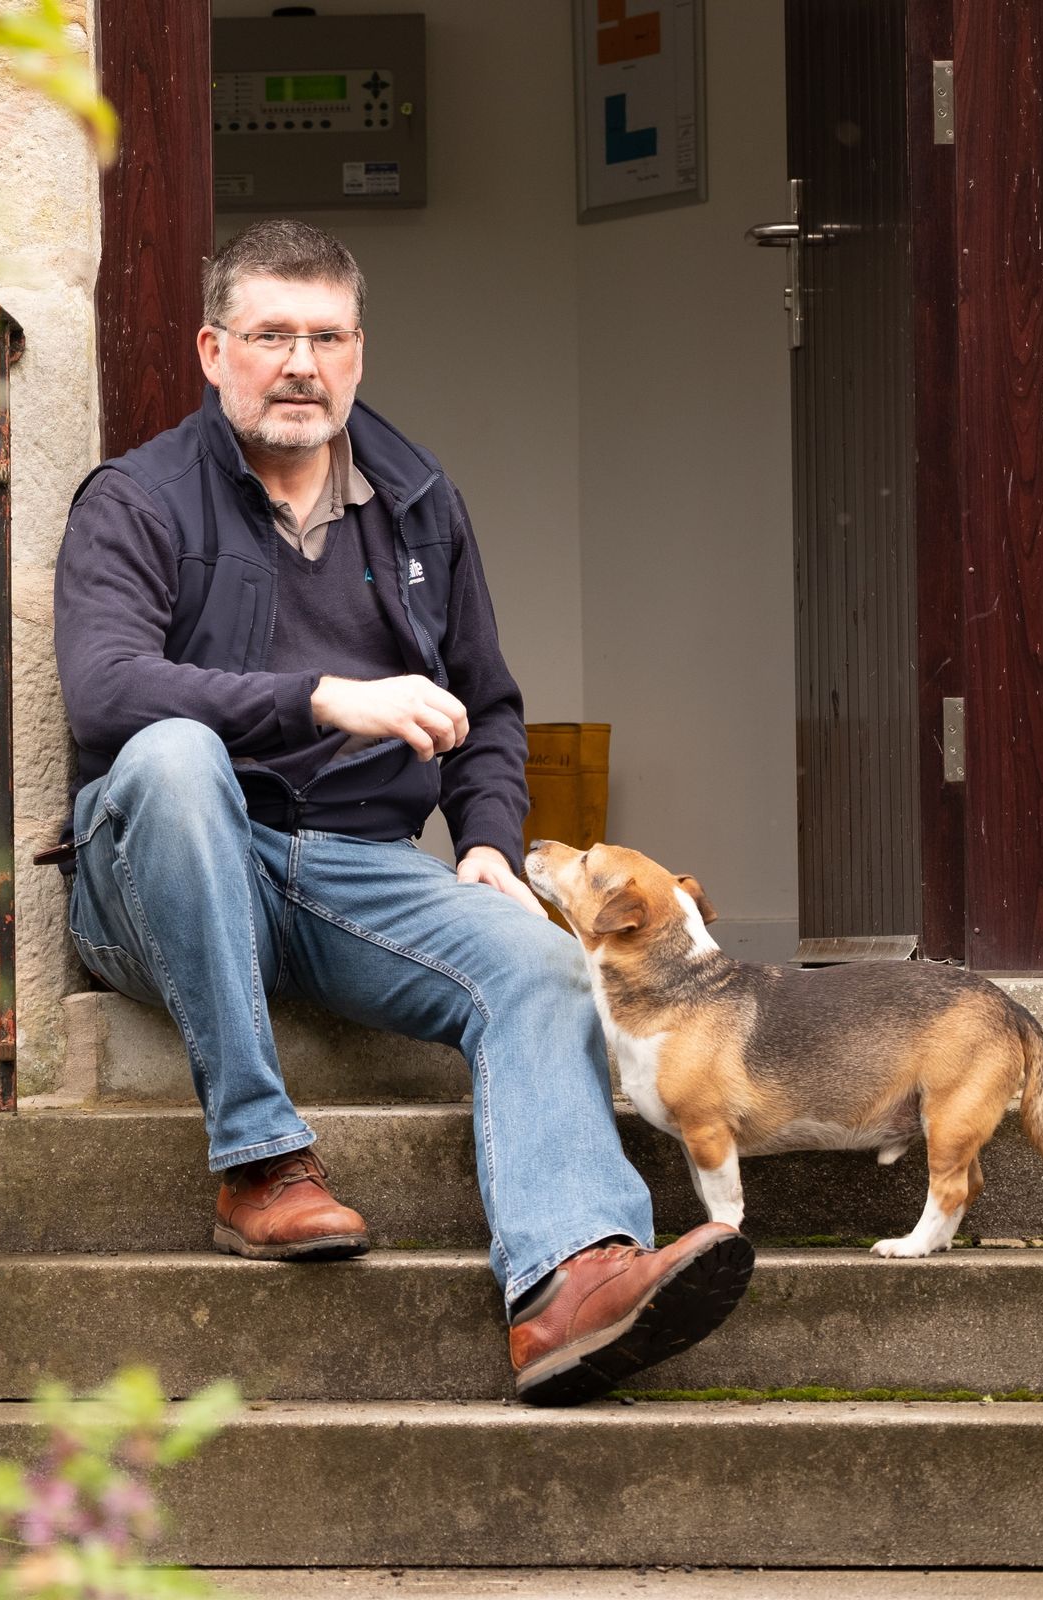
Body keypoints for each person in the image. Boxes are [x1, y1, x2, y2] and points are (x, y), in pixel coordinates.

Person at [46, 219, 754, 1406]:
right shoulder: (137, 498)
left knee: (536, 963)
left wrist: (483, 837)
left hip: (351, 867)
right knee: (174, 756)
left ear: (359, 354)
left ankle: (572, 1278)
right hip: (161, 868)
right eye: (271, 334)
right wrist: (320, 697)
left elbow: (489, 705)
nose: (300, 364)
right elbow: (107, 686)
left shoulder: (418, 498)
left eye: (325, 336)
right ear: (214, 350)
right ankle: (261, 1164)